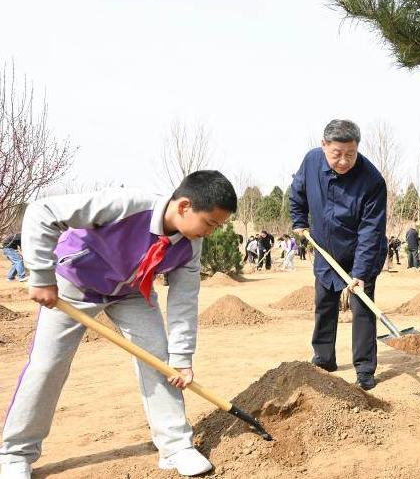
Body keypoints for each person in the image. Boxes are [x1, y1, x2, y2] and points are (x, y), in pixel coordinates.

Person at [0, 171, 237, 479]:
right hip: (74, 285)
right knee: (48, 366)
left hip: (131, 294)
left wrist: (182, 358)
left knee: (161, 363)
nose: (210, 232)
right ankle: (16, 454)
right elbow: (42, 212)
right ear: (184, 206)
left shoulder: (190, 247)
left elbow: (184, 302)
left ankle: (176, 446)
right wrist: (42, 276)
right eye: (210, 223)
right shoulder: (126, 204)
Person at [290, 119, 387, 391]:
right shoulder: (311, 162)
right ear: (324, 146)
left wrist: (361, 273)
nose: (344, 161)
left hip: (361, 251)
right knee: (324, 304)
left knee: (363, 309)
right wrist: (299, 220)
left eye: (350, 154)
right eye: (337, 154)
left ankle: (365, 370)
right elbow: (297, 192)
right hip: (325, 249)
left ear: (358, 148)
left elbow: (371, 230)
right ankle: (324, 359)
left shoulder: (372, 180)